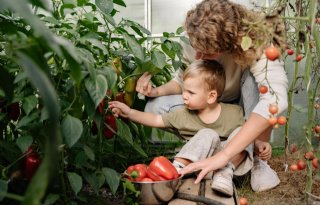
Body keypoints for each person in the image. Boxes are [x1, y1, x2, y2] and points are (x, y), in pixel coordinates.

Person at [135, 0, 288, 192]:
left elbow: (275, 100)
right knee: (155, 106)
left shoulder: (257, 42)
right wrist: (155, 91)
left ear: (230, 45)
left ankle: (253, 156)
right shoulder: (195, 36)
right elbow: (183, 81)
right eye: (195, 49)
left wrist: (223, 157)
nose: (198, 57)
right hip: (206, 106)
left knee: (257, 83)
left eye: (207, 53)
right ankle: (206, 147)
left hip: (241, 107)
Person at [109, 60, 254, 197]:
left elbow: (250, 135)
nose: (184, 96)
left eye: (190, 93)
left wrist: (261, 144)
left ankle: (224, 174)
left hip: (227, 165)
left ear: (211, 96)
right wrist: (129, 113)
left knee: (244, 132)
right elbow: (155, 119)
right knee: (207, 134)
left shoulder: (234, 113)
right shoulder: (183, 115)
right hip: (198, 164)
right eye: (184, 90)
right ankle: (176, 170)